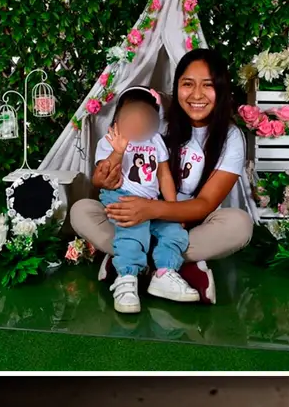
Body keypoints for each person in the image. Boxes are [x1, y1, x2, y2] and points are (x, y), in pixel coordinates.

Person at [71, 50, 256, 306]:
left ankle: (133, 260)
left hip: (184, 222)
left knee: (239, 225)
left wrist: (152, 208)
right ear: (177, 86)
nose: (197, 95)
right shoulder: (156, 121)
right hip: (134, 215)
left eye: (208, 86)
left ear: (222, 89)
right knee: (82, 210)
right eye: (188, 84)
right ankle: (169, 266)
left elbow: (205, 204)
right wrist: (106, 179)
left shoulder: (230, 137)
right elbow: (108, 174)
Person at [92, 86, 198, 313]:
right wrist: (118, 151)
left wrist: (172, 209)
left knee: (174, 232)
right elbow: (103, 174)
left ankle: (164, 273)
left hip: (151, 202)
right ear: (118, 120)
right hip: (121, 198)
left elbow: (164, 175)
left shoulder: (156, 141)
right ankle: (127, 277)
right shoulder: (109, 141)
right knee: (133, 230)